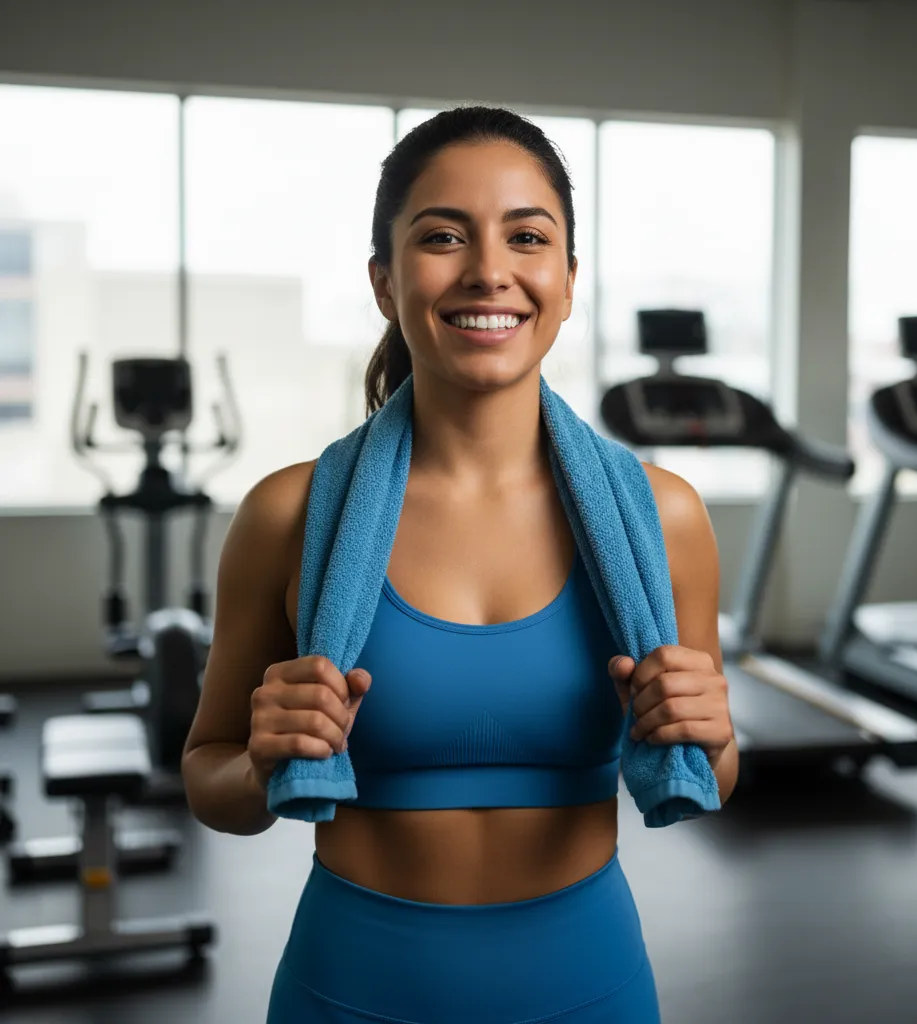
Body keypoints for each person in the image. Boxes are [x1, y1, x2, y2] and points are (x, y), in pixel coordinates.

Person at [181, 105, 738, 1024]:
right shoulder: (290, 514)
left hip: (589, 986)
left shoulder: (662, 514)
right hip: (349, 988)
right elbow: (210, 775)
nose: (490, 271)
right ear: (383, 279)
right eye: (442, 236)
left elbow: (714, 774)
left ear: (566, 279)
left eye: (527, 236)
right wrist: (259, 766)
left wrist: (713, 737)